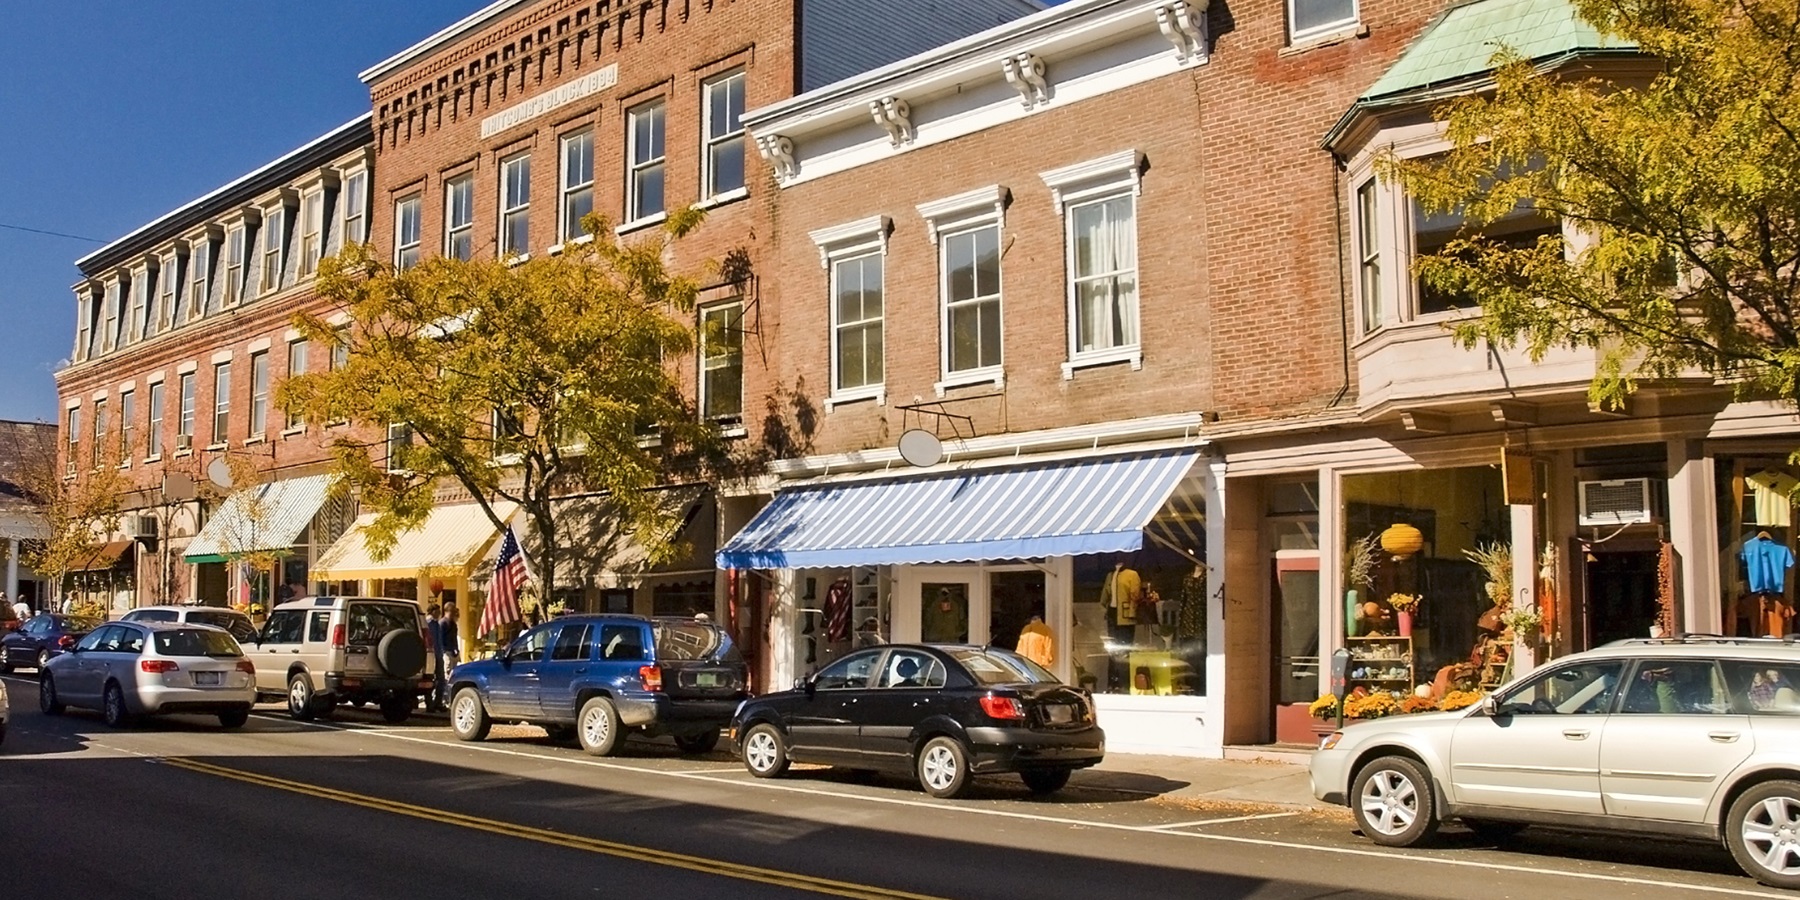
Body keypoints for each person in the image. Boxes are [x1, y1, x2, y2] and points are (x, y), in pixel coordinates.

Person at [438, 604, 461, 707]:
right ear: (447, 611)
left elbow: (454, 637)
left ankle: (450, 696)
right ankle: (444, 698)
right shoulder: (442, 623)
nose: (453, 614)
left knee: (454, 674)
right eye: (451, 611)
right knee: (447, 673)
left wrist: (456, 649)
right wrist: (443, 651)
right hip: (446, 651)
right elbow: (440, 639)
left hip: (453, 651)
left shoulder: (453, 624)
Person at [425, 604, 446, 712]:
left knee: (441, 679)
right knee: (428, 680)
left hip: (438, 654)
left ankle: (438, 702)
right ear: (432, 611)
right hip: (429, 655)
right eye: (437, 611)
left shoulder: (437, 624)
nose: (439, 613)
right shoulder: (427, 623)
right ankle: (429, 704)